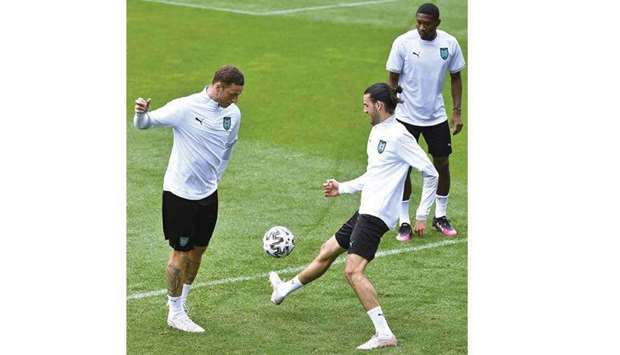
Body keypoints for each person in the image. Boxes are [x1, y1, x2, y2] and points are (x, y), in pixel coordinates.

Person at [268, 83, 438, 350]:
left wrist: (422, 213)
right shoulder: (378, 132)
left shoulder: (399, 136)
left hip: (378, 213)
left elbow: (431, 172)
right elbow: (375, 174)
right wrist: (343, 187)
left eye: (366, 105)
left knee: (353, 271)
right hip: (367, 207)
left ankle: (384, 334)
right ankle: (283, 290)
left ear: (379, 106)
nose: (364, 110)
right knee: (327, 250)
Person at [133, 65, 244, 333]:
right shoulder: (185, 107)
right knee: (180, 254)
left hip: (208, 194)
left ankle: (181, 304)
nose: (236, 100)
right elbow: (144, 124)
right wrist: (140, 113)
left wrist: (217, 177)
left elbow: (228, 148)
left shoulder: (233, 114)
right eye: (233, 93)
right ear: (218, 87)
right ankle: (174, 311)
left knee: (198, 252)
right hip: (180, 195)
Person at [386, 3, 465, 241]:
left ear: (437, 23)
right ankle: (404, 221)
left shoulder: (449, 44)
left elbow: (456, 77)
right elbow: (392, 77)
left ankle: (440, 216)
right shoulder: (403, 42)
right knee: (403, 168)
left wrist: (457, 112)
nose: (421, 27)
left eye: (427, 23)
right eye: (418, 22)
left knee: (442, 164)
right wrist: (392, 109)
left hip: (436, 116)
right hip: (405, 116)